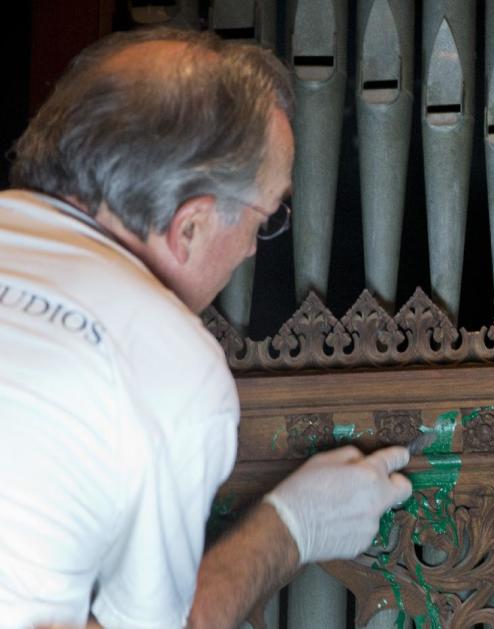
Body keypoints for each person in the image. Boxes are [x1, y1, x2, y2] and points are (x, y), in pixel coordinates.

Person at [0, 27, 412, 628]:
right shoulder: (172, 361)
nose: (251, 253)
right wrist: (290, 529)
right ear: (188, 226)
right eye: (265, 220)